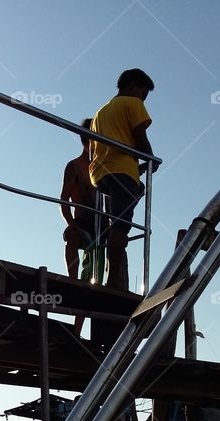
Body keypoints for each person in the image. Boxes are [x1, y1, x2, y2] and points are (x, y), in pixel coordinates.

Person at [89, 68, 158, 291]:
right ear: (132, 86)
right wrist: (150, 158)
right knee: (121, 227)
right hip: (121, 171)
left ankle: (116, 233)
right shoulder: (132, 103)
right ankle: (112, 282)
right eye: (143, 93)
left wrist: (139, 167)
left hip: (101, 173)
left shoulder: (101, 112)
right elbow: (140, 137)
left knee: (138, 189)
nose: (143, 99)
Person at [60, 119, 102, 333]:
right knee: (72, 236)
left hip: (102, 227)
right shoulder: (74, 166)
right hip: (82, 222)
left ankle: (78, 328)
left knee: (93, 283)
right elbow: (64, 199)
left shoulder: (104, 167)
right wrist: (71, 223)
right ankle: (71, 281)